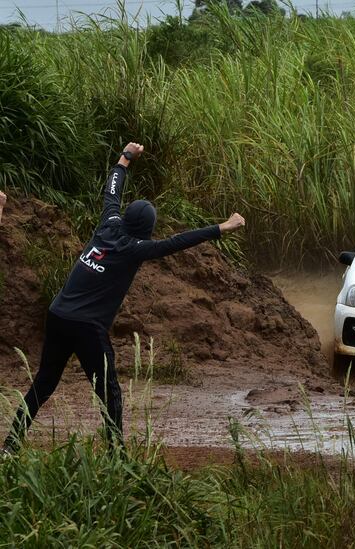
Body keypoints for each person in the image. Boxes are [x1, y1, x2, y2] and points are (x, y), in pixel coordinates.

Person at [2, 143, 245, 454]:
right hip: (87, 328)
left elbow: (111, 193)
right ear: (147, 230)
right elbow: (178, 242)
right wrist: (223, 227)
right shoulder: (136, 249)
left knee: (44, 384)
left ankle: (9, 448)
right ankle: (117, 456)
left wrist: (125, 158)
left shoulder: (109, 223)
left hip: (58, 313)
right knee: (110, 394)